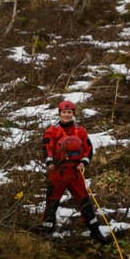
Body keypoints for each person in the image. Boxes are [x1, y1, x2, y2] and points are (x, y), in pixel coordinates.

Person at [41, 98, 104, 241]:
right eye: (64, 112)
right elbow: (46, 147)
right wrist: (49, 161)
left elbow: (88, 148)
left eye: (69, 112)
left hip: (75, 172)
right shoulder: (52, 130)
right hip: (58, 171)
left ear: (73, 113)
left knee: (84, 201)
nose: (66, 115)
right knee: (52, 202)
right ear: (59, 113)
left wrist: (84, 162)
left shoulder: (80, 131)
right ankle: (47, 232)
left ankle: (94, 231)